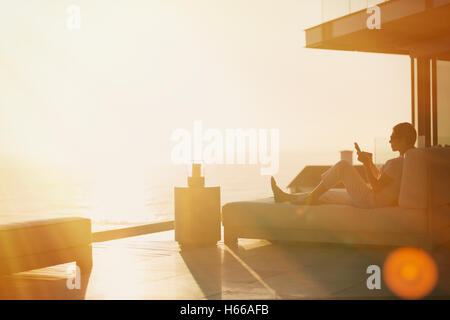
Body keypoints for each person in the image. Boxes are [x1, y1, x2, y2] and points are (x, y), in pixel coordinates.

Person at [271, 122, 417, 208]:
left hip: (372, 200)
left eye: (392, 137)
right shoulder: (407, 161)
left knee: (343, 166)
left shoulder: (398, 163)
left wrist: (366, 164)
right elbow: (382, 180)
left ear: (403, 140)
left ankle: (309, 199)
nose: (389, 141)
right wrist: (371, 163)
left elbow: (377, 187)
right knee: (326, 193)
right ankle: (286, 198)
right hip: (375, 199)